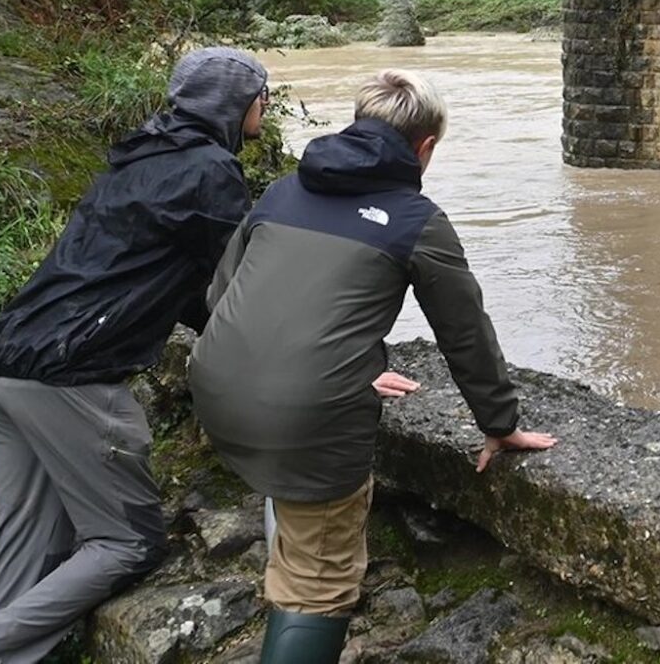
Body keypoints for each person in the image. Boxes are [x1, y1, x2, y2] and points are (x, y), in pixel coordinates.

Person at [0, 46, 269, 664]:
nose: (266, 104)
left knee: (29, 545)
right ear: (233, 105)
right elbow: (245, 279)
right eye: (260, 94)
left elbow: (180, 283)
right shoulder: (210, 170)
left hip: (9, 360)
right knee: (127, 542)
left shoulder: (141, 154)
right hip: (70, 374)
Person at [188, 68, 557, 664]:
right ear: (426, 147)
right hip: (304, 418)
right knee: (320, 580)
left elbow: (220, 298)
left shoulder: (283, 190)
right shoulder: (416, 219)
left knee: (295, 519)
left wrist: (347, 361)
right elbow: (465, 334)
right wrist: (500, 422)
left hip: (216, 387)